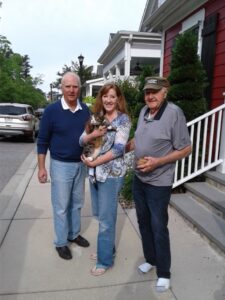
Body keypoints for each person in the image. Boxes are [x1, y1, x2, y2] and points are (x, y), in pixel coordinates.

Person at [126, 76, 192, 292]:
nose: (150, 96)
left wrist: (158, 162)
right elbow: (140, 138)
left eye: (155, 91)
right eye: (147, 92)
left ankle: (164, 272)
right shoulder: (145, 112)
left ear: (165, 92)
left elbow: (185, 148)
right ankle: (151, 259)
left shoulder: (174, 113)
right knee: (143, 222)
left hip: (159, 182)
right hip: (140, 179)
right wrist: (125, 146)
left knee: (158, 226)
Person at [37, 72, 90, 260]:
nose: (71, 90)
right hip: (60, 165)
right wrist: (41, 167)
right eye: (67, 86)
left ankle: (73, 234)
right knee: (61, 207)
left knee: (77, 204)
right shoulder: (52, 110)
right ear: (62, 88)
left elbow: (90, 138)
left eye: (75, 86)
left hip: (80, 164)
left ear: (79, 88)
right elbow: (42, 140)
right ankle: (61, 242)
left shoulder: (85, 110)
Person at [80, 83, 131, 276]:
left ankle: (104, 261)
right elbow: (81, 140)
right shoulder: (96, 118)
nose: (108, 100)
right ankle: (107, 249)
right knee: (102, 215)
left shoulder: (123, 120)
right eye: (105, 96)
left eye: (112, 96)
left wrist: (95, 162)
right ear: (101, 98)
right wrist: (92, 135)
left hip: (111, 174)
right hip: (94, 174)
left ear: (118, 99)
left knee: (106, 220)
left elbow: (119, 149)